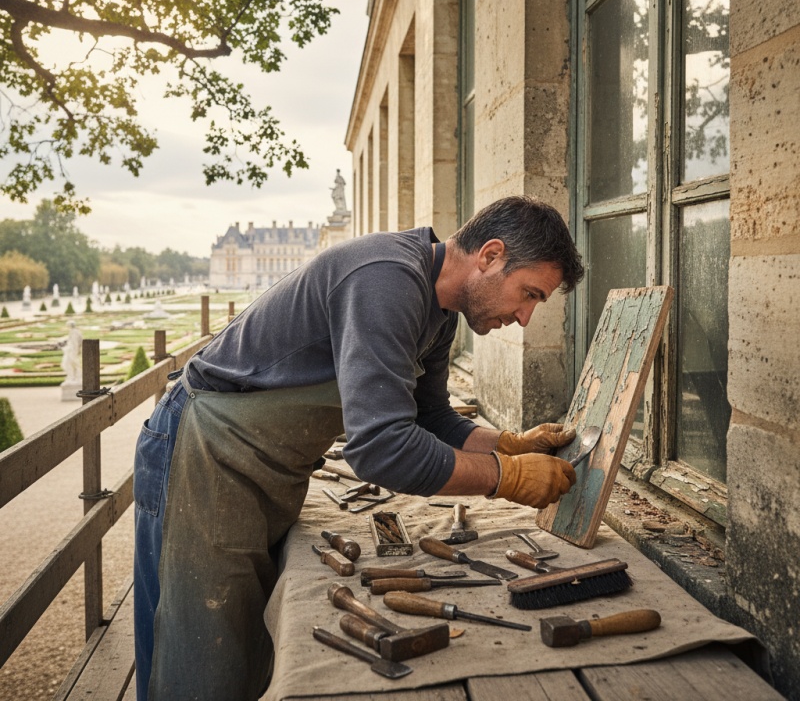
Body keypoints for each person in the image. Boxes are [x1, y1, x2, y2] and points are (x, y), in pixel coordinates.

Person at [133, 195, 584, 700]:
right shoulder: (386, 279)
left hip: (253, 462)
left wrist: (506, 444)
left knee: (241, 643)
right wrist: (507, 477)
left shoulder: (441, 311)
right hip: (199, 447)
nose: (524, 317)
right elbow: (381, 449)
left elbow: (428, 418)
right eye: (528, 294)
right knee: (194, 652)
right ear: (490, 255)